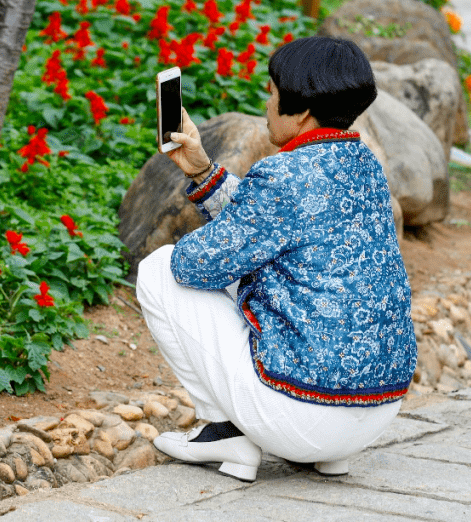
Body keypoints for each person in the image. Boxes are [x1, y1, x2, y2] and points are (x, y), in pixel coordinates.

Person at [136, 36, 417, 482]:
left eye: (271, 92)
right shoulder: (363, 164)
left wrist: (226, 246)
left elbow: (194, 265)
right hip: (376, 411)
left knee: (159, 269)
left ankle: (223, 432)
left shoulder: (286, 172)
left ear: (301, 111)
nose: (267, 104)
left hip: (303, 415)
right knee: (256, 267)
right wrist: (203, 172)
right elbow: (270, 224)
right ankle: (326, 456)